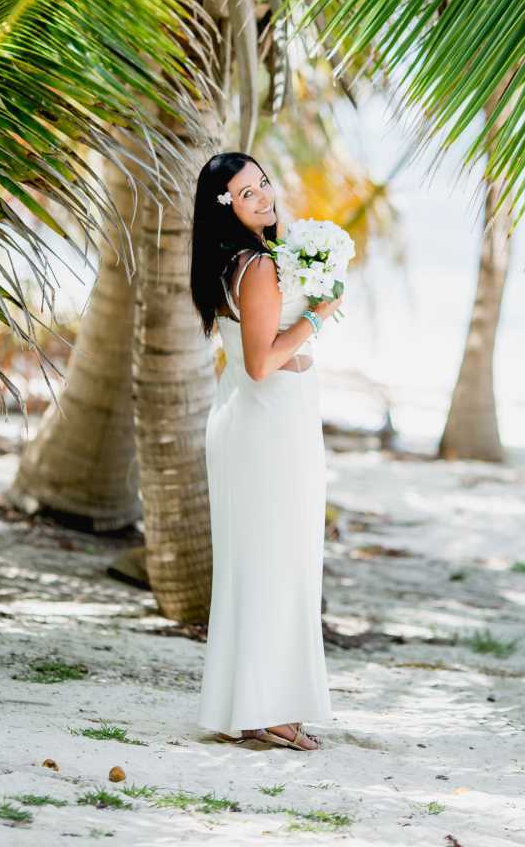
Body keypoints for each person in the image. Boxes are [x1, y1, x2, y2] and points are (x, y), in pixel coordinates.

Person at [189, 151, 343, 751]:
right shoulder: (253, 266)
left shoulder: (241, 258)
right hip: (266, 422)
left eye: (263, 184)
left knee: (264, 566)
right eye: (246, 193)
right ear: (225, 206)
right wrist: (319, 317)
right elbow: (261, 363)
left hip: (260, 422)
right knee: (278, 566)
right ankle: (271, 708)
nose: (264, 197)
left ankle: (254, 704)